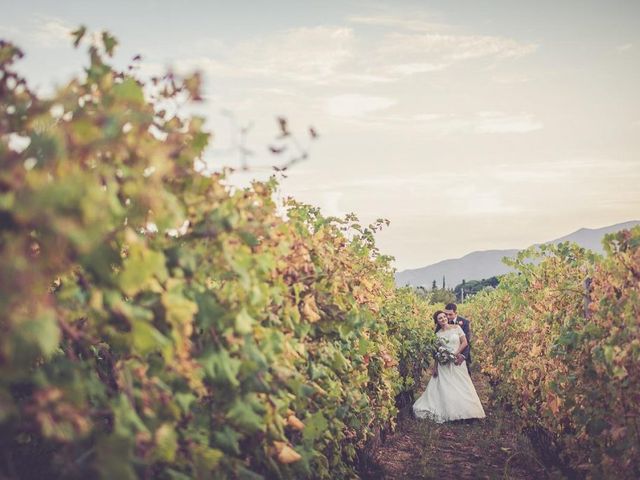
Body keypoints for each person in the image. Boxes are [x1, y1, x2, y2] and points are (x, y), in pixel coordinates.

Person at [412, 310, 486, 423]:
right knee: (448, 387)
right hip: (444, 364)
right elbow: (437, 353)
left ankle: (469, 414)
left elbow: (464, 342)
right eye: (440, 318)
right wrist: (436, 367)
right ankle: (451, 413)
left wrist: (455, 354)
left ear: (447, 317)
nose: (443, 319)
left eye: (444, 317)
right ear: (437, 322)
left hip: (457, 361)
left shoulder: (456, 328)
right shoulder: (437, 335)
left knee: (462, 385)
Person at [445, 302, 471, 373]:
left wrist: (462, 356)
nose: (447, 317)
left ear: (456, 313)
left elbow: (466, 341)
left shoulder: (464, 322)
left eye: (450, 314)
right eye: (446, 314)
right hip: (446, 356)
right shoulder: (442, 322)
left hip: (461, 355)